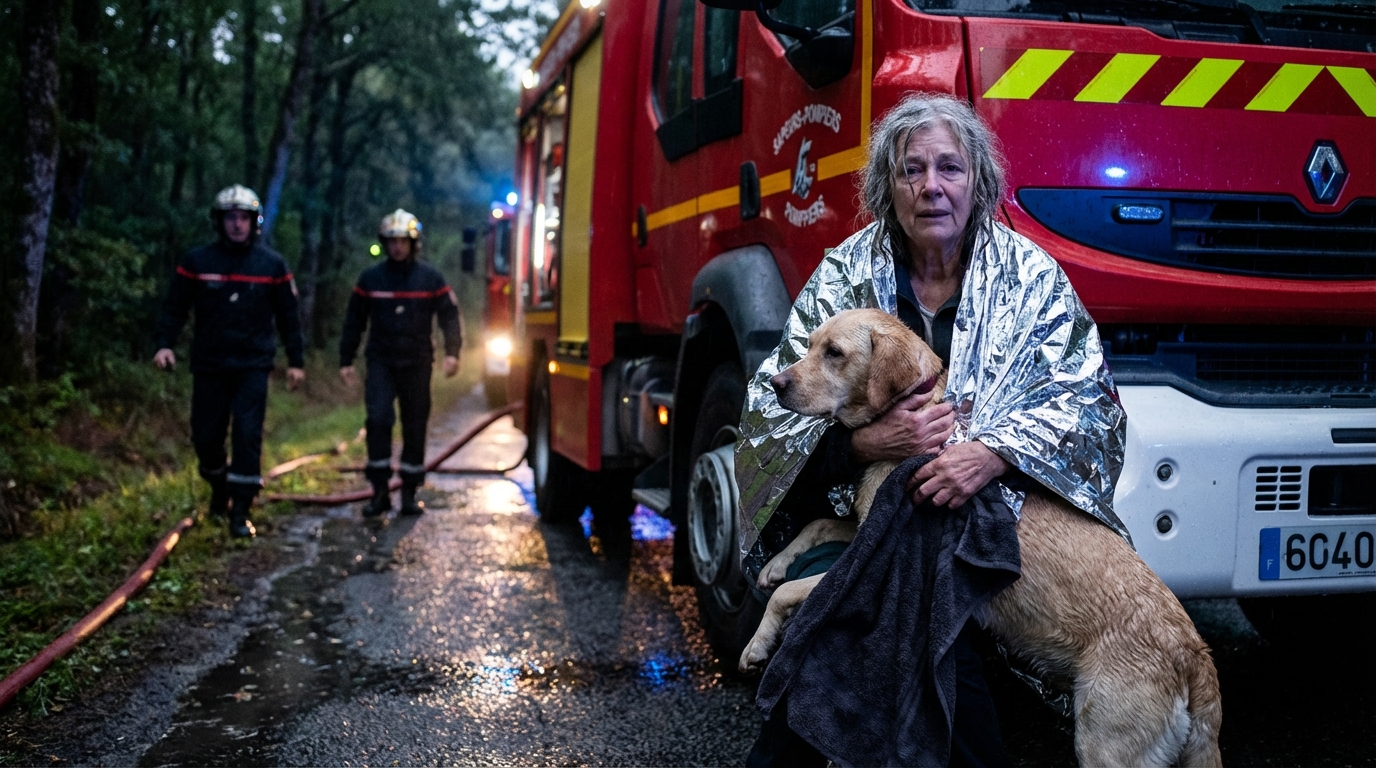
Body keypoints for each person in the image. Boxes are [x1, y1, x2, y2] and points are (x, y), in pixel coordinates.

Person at [735, 94, 1129, 767]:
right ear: (886, 186)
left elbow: (1090, 409)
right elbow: (771, 421)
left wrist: (995, 451)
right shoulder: (845, 272)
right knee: (875, 611)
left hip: (981, 527)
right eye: (911, 170)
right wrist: (862, 445)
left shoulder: (1030, 278)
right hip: (862, 517)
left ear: (978, 181)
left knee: (882, 612)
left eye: (949, 168)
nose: (931, 187)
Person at [154, 184, 306, 539]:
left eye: (243, 218)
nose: (237, 225)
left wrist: (296, 361)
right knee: (206, 436)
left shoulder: (272, 265)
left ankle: (240, 511)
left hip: (253, 363)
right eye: (230, 218)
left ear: (255, 222)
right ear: (219, 222)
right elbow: (175, 307)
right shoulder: (197, 262)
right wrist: (165, 344)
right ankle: (219, 489)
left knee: (247, 435)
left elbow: (288, 316)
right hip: (209, 363)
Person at [339, 209, 462, 518]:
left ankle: (409, 492)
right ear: (384, 243)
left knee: (415, 425)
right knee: (378, 421)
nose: (397, 247)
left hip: (418, 362)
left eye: (403, 241)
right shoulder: (370, 279)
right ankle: (380, 492)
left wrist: (452, 352)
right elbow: (354, 320)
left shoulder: (430, 278)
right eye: (392, 241)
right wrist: (346, 359)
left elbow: (449, 315)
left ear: (414, 244)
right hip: (381, 361)